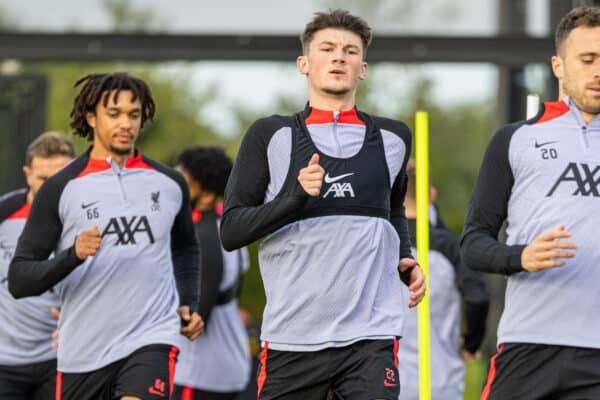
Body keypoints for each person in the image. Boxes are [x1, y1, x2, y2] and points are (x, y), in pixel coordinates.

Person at [220, 9, 425, 400]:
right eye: (327, 48)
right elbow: (231, 231)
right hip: (292, 339)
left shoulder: (394, 137)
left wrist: (406, 258)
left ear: (362, 68)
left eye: (350, 51)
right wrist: (294, 198)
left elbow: (393, 210)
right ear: (304, 63)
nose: (338, 57)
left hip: (371, 336)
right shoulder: (270, 135)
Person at [8, 72, 204, 400]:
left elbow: (186, 248)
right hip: (82, 353)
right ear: (91, 117)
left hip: (151, 337)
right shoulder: (60, 188)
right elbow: (20, 278)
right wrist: (73, 255)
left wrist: (187, 302)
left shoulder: (170, 183)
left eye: (134, 114)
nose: (125, 123)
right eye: (114, 114)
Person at [460, 6, 600, 399]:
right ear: (558, 65)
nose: (597, 71)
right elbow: (473, 244)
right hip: (528, 346)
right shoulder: (514, 140)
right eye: (587, 59)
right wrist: (521, 257)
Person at [397, 160, 489, 400]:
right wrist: (471, 343)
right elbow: (477, 297)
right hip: (441, 382)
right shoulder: (452, 246)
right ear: (431, 194)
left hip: (383, 381)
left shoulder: (377, 243)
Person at [172, 146, 251, 400]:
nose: (177, 181)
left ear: (205, 190)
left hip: (202, 373)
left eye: (184, 177)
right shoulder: (226, 227)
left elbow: (196, 317)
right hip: (227, 365)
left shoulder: (204, 236)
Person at [0, 132, 74, 400]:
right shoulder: (4, 214)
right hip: (4, 363)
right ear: (27, 173)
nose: (51, 189)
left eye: (59, 179)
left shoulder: (88, 221)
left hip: (59, 359)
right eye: (43, 179)